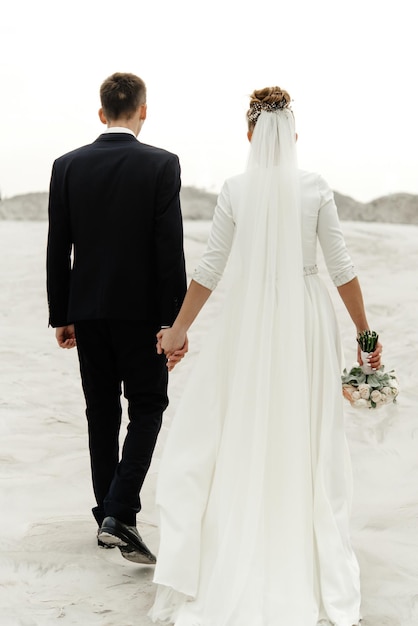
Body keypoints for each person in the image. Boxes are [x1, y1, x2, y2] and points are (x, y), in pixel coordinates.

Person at [149, 87, 382, 625]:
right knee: (306, 428)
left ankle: (243, 536)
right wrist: (365, 335)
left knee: (242, 423)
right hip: (305, 318)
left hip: (248, 319)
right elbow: (341, 267)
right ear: (293, 136)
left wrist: (177, 331)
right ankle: (300, 534)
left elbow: (210, 269)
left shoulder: (235, 188)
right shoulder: (315, 188)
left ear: (250, 135)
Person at [46, 72, 187, 565]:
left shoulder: (67, 165)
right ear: (143, 110)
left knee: (100, 412)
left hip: (86, 313)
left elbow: (58, 245)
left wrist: (62, 314)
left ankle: (107, 512)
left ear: (101, 112)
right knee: (147, 407)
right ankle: (120, 512)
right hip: (144, 315)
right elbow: (169, 251)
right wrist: (175, 324)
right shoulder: (161, 164)